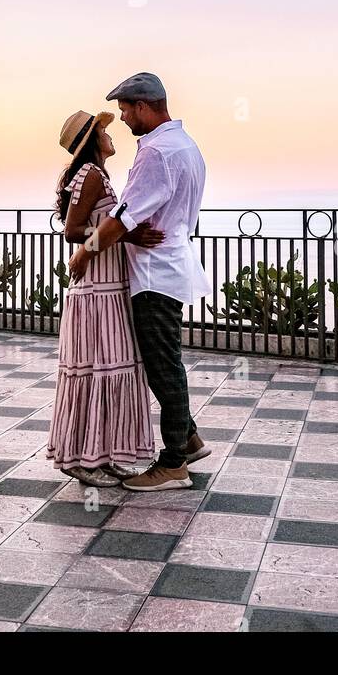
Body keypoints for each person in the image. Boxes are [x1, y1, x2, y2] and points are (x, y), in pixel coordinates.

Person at [71, 73, 211, 491]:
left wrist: (84, 252)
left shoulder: (156, 152)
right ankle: (188, 438)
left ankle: (172, 464)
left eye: (127, 109)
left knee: (163, 367)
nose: (124, 117)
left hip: (152, 275)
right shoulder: (187, 147)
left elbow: (123, 218)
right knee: (163, 361)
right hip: (171, 265)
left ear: (146, 106)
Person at [46, 108, 161, 487]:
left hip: (106, 286)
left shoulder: (95, 175)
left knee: (108, 368)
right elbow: (73, 230)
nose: (111, 135)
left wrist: (124, 234)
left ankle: (103, 454)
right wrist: (126, 235)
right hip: (97, 288)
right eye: (103, 130)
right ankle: (81, 458)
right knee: (98, 370)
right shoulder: (91, 174)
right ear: (92, 139)